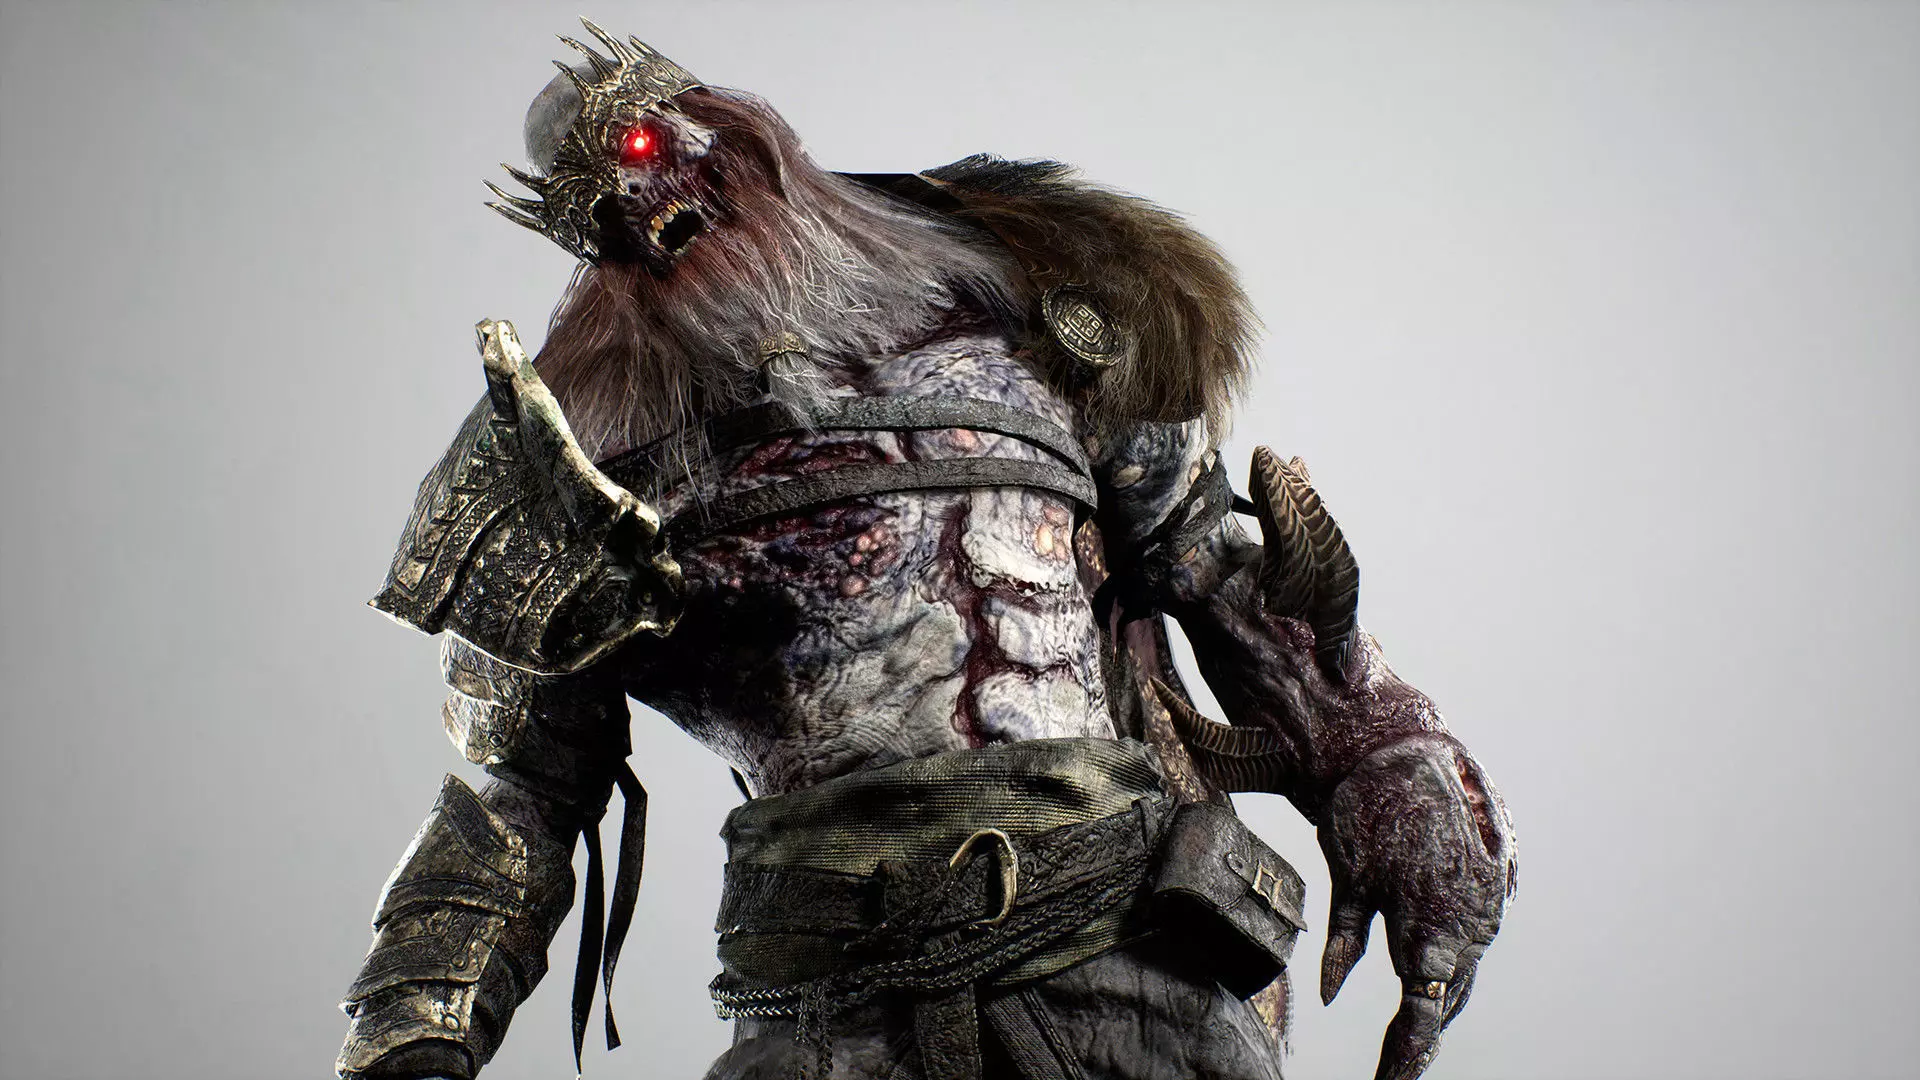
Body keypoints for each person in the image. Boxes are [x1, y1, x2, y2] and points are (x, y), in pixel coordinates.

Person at [336, 21, 1516, 1080]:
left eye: (657, 152)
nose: (650, 204)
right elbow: (520, 801)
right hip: (831, 1008)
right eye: (604, 209)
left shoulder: (1024, 315)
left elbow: (1216, 568)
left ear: (737, 136)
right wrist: (412, 1035)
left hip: (1130, 974)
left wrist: (1391, 757)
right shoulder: (573, 478)